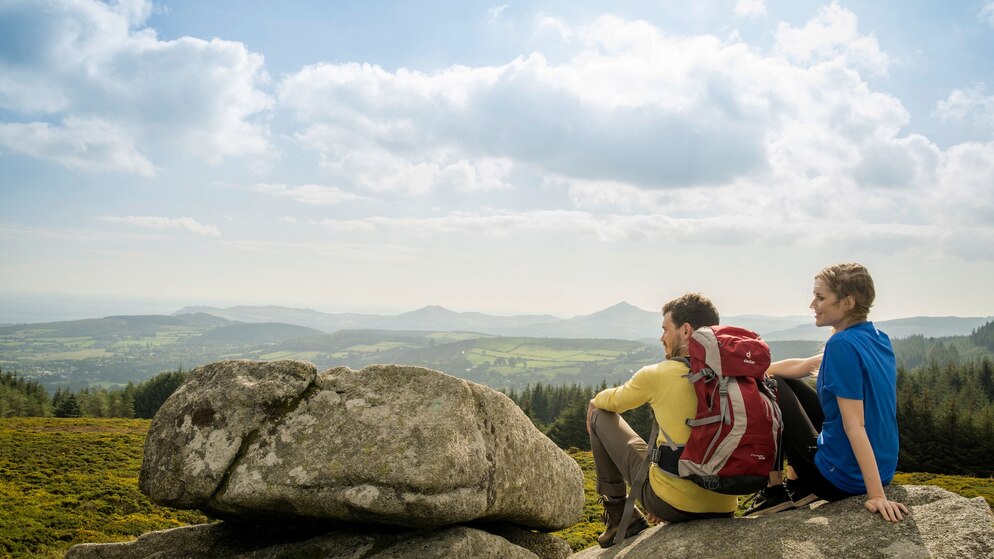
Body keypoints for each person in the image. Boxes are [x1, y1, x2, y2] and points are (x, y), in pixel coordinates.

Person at [744, 263, 909, 523]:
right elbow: (804, 366)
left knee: (770, 386)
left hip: (841, 479)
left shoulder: (841, 344)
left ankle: (774, 491)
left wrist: (877, 495)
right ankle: (796, 484)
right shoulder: (876, 337)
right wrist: (757, 370)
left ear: (848, 303)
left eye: (820, 297)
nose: (813, 304)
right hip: (883, 469)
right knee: (776, 379)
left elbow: (855, 426)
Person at [585, 292, 737, 548]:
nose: (662, 337)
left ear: (685, 331)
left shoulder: (659, 374)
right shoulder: (736, 373)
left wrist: (594, 401)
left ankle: (620, 518)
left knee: (599, 414)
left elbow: (610, 401)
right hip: (725, 502)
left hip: (675, 504)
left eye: (666, 329)